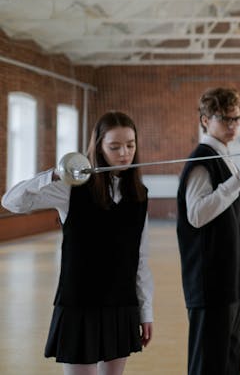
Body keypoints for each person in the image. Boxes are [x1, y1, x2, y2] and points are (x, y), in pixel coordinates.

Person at [1, 111, 153, 375]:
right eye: (114, 147)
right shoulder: (71, 189)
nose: (124, 153)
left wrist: (146, 311)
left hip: (121, 302)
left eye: (130, 145)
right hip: (80, 303)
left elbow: (140, 259)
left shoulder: (139, 196)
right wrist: (55, 175)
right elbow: (11, 201)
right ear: (98, 148)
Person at [176, 87, 240, 375]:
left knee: (227, 358)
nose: (233, 125)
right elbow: (196, 215)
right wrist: (236, 182)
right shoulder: (203, 159)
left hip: (228, 277)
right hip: (209, 281)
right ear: (205, 120)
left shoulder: (223, 155)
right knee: (209, 361)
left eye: (237, 119)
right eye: (225, 119)